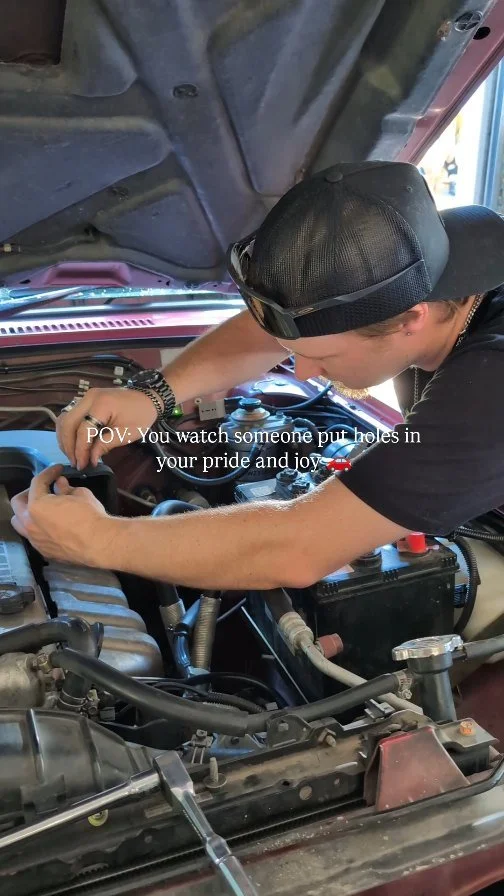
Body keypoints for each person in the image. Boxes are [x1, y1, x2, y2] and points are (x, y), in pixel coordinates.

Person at [10, 161, 504, 592]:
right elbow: (286, 327)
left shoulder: (489, 390)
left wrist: (99, 540)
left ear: (409, 319)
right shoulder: (431, 259)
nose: (302, 371)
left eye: (323, 358)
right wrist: (154, 394)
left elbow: (297, 549)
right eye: (295, 353)